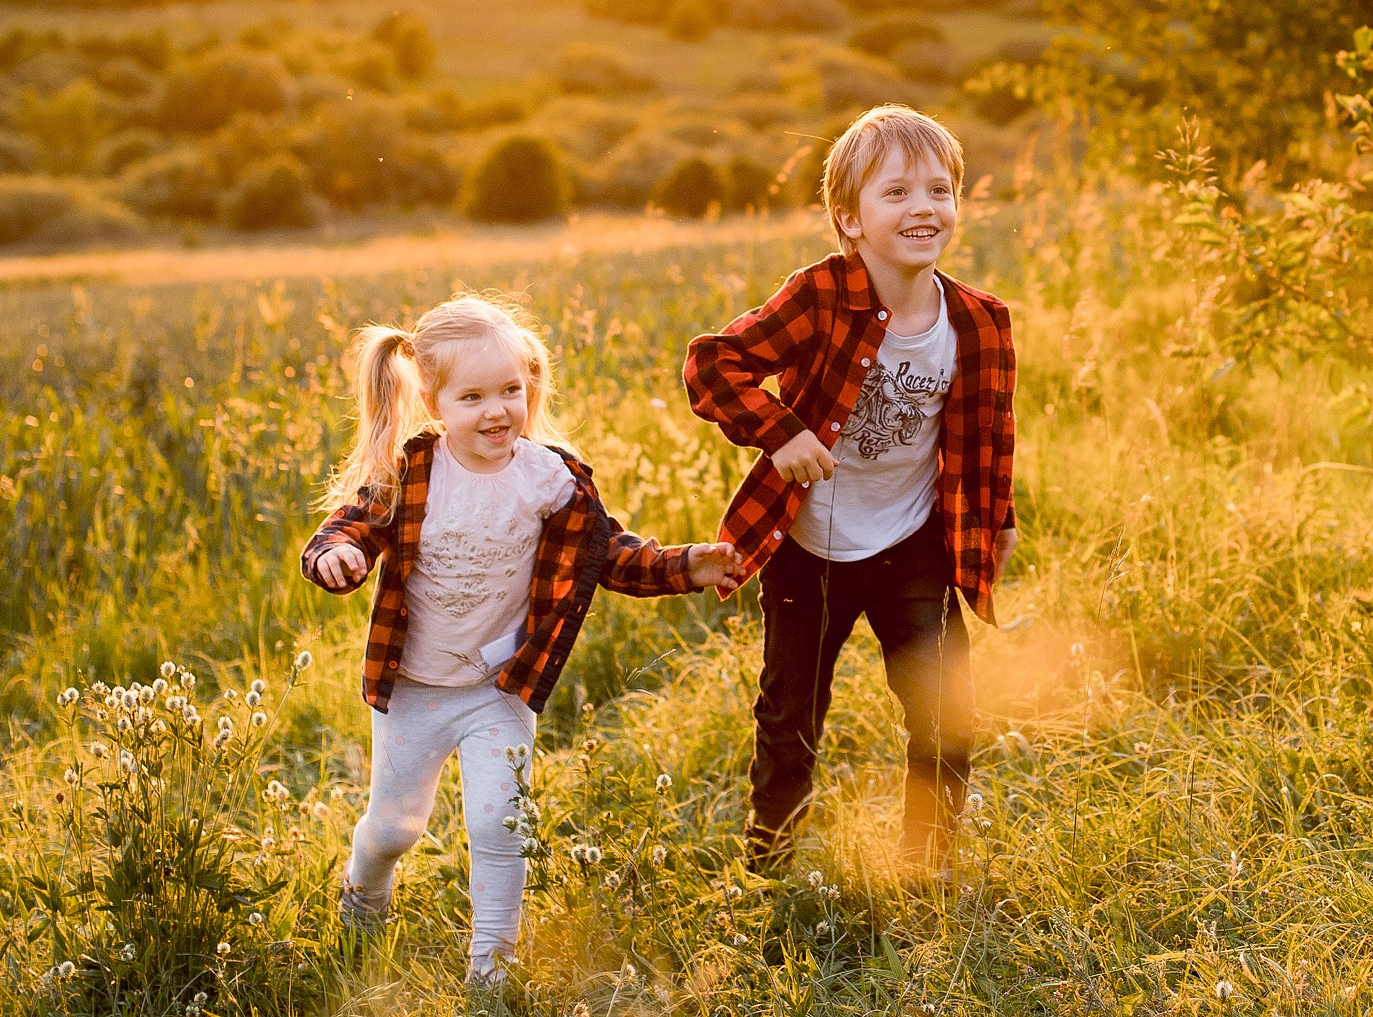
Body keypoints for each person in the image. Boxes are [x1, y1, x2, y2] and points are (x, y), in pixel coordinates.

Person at [300, 293, 734, 987]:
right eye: (473, 396)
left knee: (502, 823)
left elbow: (609, 553)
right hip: (413, 690)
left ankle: (490, 969)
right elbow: (347, 528)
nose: (498, 409)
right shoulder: (412, 471)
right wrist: (333, 558)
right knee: (395, 829)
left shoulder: (550, 478)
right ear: (435, 400)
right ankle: (363, 899)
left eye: (511, 389)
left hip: (500, 690)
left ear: (531, 382)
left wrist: (686, 565)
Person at [685, 104, 1017, 873]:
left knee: (948, 718)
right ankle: (768, 872)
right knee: (789, 721)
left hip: (914, 548)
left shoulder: (979, 322)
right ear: (849, 218)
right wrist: (781, 431)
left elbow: (989, 432)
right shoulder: (821, 295)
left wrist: (999, 516)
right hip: (810, 551)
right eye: (896, 193)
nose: (922, 208)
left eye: (939, 190)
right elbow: (712, 364)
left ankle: (924, 868)